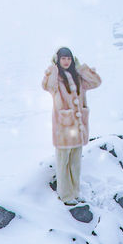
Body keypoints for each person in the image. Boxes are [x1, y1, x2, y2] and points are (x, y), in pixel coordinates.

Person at [42, 47, 101, 205]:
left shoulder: (78, 77)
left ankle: (74, 193)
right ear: (58, 60)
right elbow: (46, 85)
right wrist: (53, 68)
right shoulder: (56, 79)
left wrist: (81, 68)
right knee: (63, 163)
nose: (66, 61)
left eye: (69, 58)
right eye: (63, 59)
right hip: (64, 127)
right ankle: (65, 196)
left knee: (75, 163)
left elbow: (96, 82)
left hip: (78, 128)